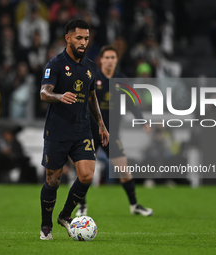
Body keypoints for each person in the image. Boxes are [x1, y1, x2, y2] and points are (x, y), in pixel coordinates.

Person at [39, 19, 109, 240]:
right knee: (53, 180)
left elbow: (91, 96)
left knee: (87, 176)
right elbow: (43, 93)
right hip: (57, 130)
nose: (83, 42)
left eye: (86, 38)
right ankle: (45, 227)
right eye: (79, 38)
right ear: (68, 38)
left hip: (81, 130)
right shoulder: (55, 64)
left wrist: (101, 123)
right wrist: (59, 96)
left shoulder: (90, 66)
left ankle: (65, 216)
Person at [76, 45, 153, 217]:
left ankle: (134, 206)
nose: (110, 60)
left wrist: (141, 120)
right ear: (101, 60)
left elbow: (132, 101)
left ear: (116, 60)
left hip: (112, 134)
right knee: (85, 173)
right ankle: (82, 206)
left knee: (124, 171)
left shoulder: (122, 80)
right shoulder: (93, 77)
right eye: (107, 57)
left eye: (113, 58)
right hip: (90, 132)